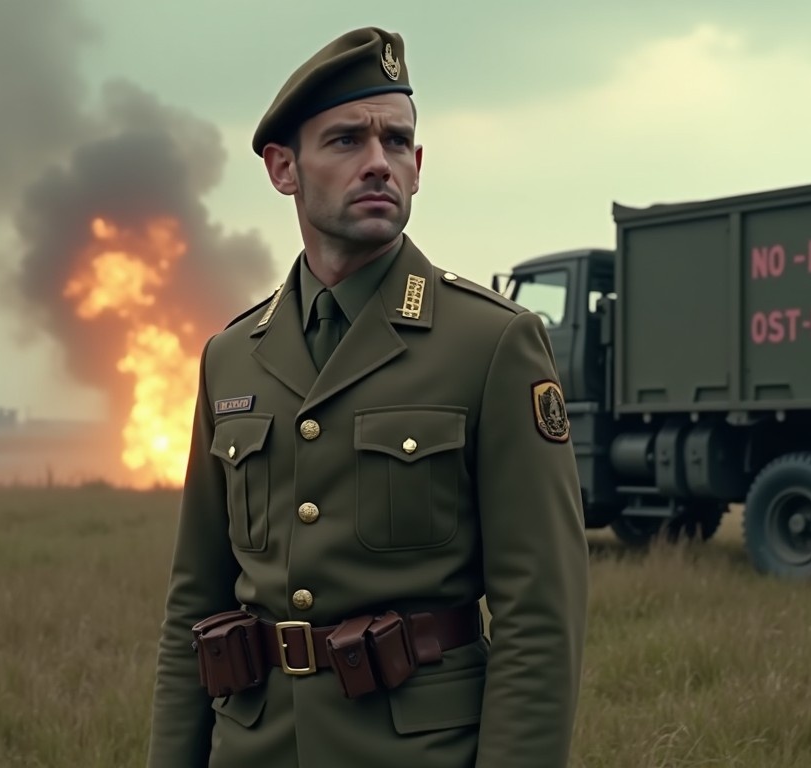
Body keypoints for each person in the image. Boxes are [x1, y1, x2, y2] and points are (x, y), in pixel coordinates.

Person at [146, 26, 589, 768]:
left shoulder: (490, 344)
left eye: (396, 143)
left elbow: (541, 616)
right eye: (347, 141)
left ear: (419, 167)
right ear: (284, 169)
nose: (379, 163)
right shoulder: (231, 358)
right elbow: (194, 604)